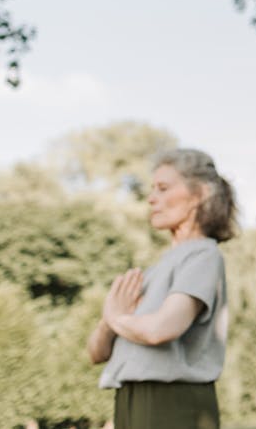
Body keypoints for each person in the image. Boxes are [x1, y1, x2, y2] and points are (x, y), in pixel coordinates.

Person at [86, 149, 237, 429]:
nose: (151, 198)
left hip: (173, 402)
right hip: (129, 398)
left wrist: (116, 318)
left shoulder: (203, 256)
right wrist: (112, 320)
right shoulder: (155, 269)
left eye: (163, 188)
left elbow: (161, 329)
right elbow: (96, 353)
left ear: (199, 194)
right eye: (152, 189)